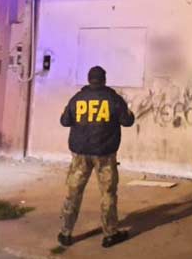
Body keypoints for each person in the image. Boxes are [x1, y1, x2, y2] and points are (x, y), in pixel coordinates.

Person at [58, 66, 135, 248]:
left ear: (89, 79)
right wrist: (129, 112)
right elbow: (127, 121)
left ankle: (65, 233)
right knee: (108, 193)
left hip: (80, 154)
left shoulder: (77, 98)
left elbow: (64, 121)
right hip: (105, 154)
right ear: (104, 79)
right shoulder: (113, 99)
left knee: (73, 192)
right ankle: (110, 234)